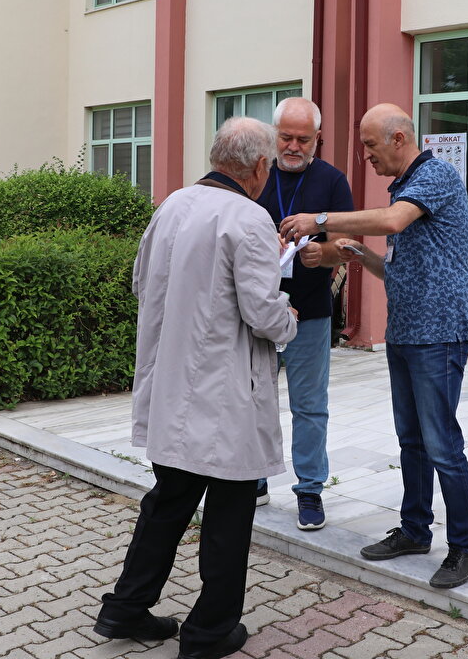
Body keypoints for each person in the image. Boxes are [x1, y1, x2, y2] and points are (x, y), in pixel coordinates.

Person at [93, 117, 299, 659]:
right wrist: (289, 316)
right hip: (224, 392)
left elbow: (142, 281)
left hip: (171, 383)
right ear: (259, 167)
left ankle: (125, 609)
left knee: (168, 502)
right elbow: (261, 311)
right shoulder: (250, 218)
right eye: (269, 167)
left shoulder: (171, 206)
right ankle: (210, 631)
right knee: (230, 512)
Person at [280, 103, 468, 590]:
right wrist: (353, 251)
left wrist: (321, 220)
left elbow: (391, 222)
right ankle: (414, 529)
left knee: (442, 444)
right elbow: (394, 271)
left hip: (439, 335)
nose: (365, 155)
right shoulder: (404, 190)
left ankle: (464, 548)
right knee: (411, 440)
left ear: (397, 138)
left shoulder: (434, 176)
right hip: (408, 332)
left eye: (370, 145)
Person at [254, 98, 354, 529]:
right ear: (273, 135)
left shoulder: (332, 180)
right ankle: (252, 479)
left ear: (318, 138)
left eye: (303, 139)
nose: (294, 146)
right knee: (253, 400)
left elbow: (348, 243)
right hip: (256, 310)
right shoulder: (255, 173)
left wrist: (323, 251)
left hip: (310, 312)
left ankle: (310, 491)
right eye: (286, 137)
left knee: (310, 406)